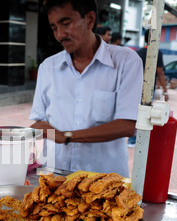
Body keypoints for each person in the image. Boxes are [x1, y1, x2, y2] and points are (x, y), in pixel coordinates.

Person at [29, 0, 143, 178]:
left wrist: (66, 136)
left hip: (104, 183)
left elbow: (128, 125)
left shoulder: (126, 61)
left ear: (90, 19)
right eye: (54, 28)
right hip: (56, 179)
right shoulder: (47, 68)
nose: (59, 35)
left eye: (66, 24)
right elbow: (39, 123)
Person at [128, 29, 169, 147]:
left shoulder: (138, 52)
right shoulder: (156, 52)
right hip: (148, 87)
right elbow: (160, 72)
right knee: (145, 111)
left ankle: (132, 140)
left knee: (136, 111)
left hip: (136, 85)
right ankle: (139, 139)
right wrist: (165, 92)